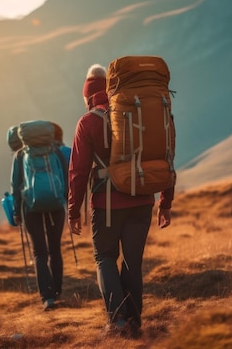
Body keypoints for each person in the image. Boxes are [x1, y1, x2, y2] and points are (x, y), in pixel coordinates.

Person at [67, 64, 174, 338]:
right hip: (142, 199)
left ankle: (117, 322)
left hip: (107, 203)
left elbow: (78, 172)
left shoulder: (88, 121)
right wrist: (166, 201)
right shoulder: (135, 113)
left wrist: (73, 210)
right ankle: (134, 323)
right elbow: (165, 153)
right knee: (132, 261)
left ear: (88, 96)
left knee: (104, 257)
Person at [11, 122, 68, 311]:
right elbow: (65, 178)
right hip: (56, 206)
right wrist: (66, 202)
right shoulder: (55, 152)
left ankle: (47, 297)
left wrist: (16, 211)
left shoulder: (20, 155)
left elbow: (16, 185)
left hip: (31, 208)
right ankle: (57, 291)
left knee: (39, 252)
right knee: (55, 249)